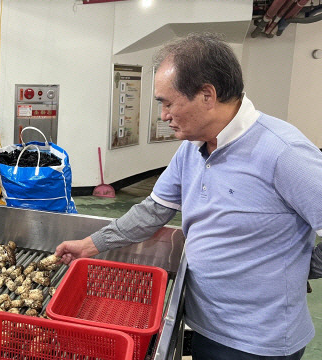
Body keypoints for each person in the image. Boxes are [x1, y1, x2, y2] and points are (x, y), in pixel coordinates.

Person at [55, 33, 322, 360]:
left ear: (207, 95)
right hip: (205, 324)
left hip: (258, 343)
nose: (164, 115)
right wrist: (90, 244)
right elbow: (153, 212)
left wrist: (303, 266)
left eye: (168, 103)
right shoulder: (191, 149)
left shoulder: (284, 153)